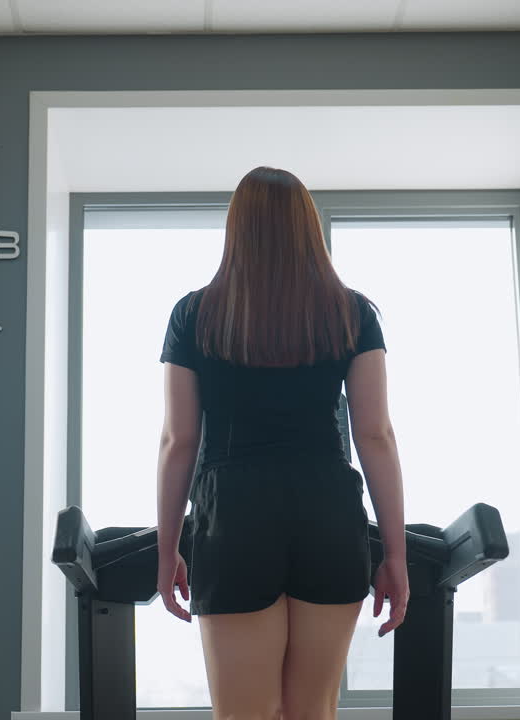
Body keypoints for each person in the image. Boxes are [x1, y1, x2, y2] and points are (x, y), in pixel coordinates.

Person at [154, 166, 410, 720]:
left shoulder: (194, 314)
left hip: (233, 516)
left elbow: (179, 440)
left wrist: (167, 547)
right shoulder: (353, 313)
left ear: (236, 230)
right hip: (329, 512)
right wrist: (395, 554)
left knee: (245, 714)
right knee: (312, 712)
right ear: (308, 229)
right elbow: (375, 435)